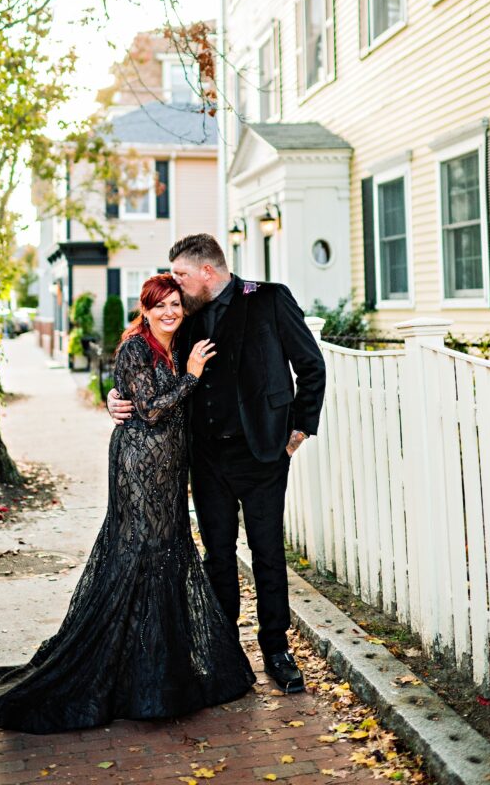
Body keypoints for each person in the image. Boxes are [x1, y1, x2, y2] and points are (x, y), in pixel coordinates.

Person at [0, 273, 255, 734]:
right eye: (160, 306)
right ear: (145, 310)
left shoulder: (177, 342)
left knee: (167, 554)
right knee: (138, 555)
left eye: (175, 304)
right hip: (138, 466)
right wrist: (190, 376)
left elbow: (159, 402)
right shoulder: (136, 346)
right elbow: (149, 410)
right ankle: (123, 676)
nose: (170, 312)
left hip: (170, 467)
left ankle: (157, 674)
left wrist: (173, 378)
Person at [108, 234, 326, 694]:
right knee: (218, 556)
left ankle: (276, 649)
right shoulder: (182, 314)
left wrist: (300, 430)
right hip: (205, 459)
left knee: (267, 553)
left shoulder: (269, 299)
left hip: (263, 454)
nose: (176, 284)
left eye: (182, 274)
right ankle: (225, 649)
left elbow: (311, 366)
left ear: (207, 271)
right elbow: (149, 364)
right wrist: (117, 398)